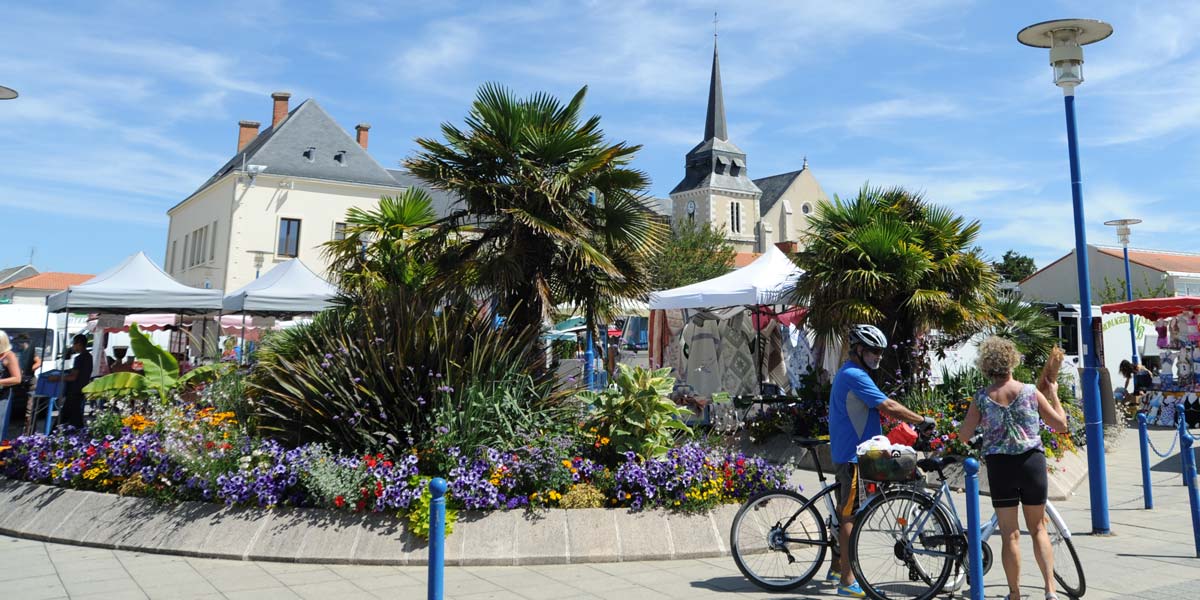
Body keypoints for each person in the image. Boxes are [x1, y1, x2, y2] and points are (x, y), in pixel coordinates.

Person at [828, 324, 935, 598]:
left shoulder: (855, 372)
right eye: (874, 351)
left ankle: (837, 568)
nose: (878, 356)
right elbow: (887, 405)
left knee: (845, 511)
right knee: (851, 515)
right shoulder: (854, 375)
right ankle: (847, 582)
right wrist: (921, 421)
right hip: (853, 456)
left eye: (881, 352)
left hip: (860, 452)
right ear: (859, 350)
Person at [958, 336, 1069, 600]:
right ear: (1012, 361)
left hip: (1000, 467)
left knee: (1010, 534)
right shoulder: (1031, 391)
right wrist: (1053, 393)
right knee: (1038, 528)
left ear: (986, 365)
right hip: (1031, 462)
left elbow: (964, 435)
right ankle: (1050, 590)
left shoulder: (983, 398)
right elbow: (1061, 424)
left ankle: (1015, 592)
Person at [47, 334, 91, 429]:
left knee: (68, 418)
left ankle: (53, 435)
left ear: (79, 344)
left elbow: (73, 377)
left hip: (74, 391)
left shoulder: (79, 358)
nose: (73, 346)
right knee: (73, 417)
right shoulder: (89, 357)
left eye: (74, 344)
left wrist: (56, 378)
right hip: (81, 390)